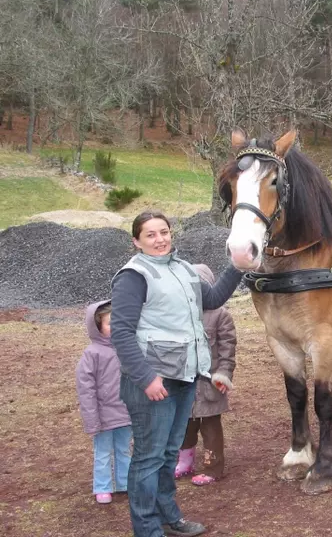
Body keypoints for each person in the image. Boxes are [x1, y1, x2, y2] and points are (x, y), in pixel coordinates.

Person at [111, 210, 244, 537]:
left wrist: (238, 266)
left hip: (185, 377)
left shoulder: (183, 269)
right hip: (152, 382)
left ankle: (170, 518)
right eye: (151, 234)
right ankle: (147, 529)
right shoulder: (133, 275)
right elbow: (121, 332)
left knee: (168, 454)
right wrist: (146, 378)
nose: (160, 239)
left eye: (164, 232)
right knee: (148, 458)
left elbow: (211, 299)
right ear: (136, 241)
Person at [175, 264, 237, 486]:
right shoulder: (178, 314)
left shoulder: (221, 315)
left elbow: (227, 350)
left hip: (210, 385)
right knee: (184, 425)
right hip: (184, 384)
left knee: (211, 427)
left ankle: (213, 468)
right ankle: (185, 462)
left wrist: (224, 373)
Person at [75, 300, 132, 505]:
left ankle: (125, 482)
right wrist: (92, 420)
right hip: (103, 415)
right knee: (103, 452)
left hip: (125, 412)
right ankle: (102, 486)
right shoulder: (92, 354)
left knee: (124, 448)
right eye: (110, 323)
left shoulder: (127, 348)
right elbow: (86, 389)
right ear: (98, 326)